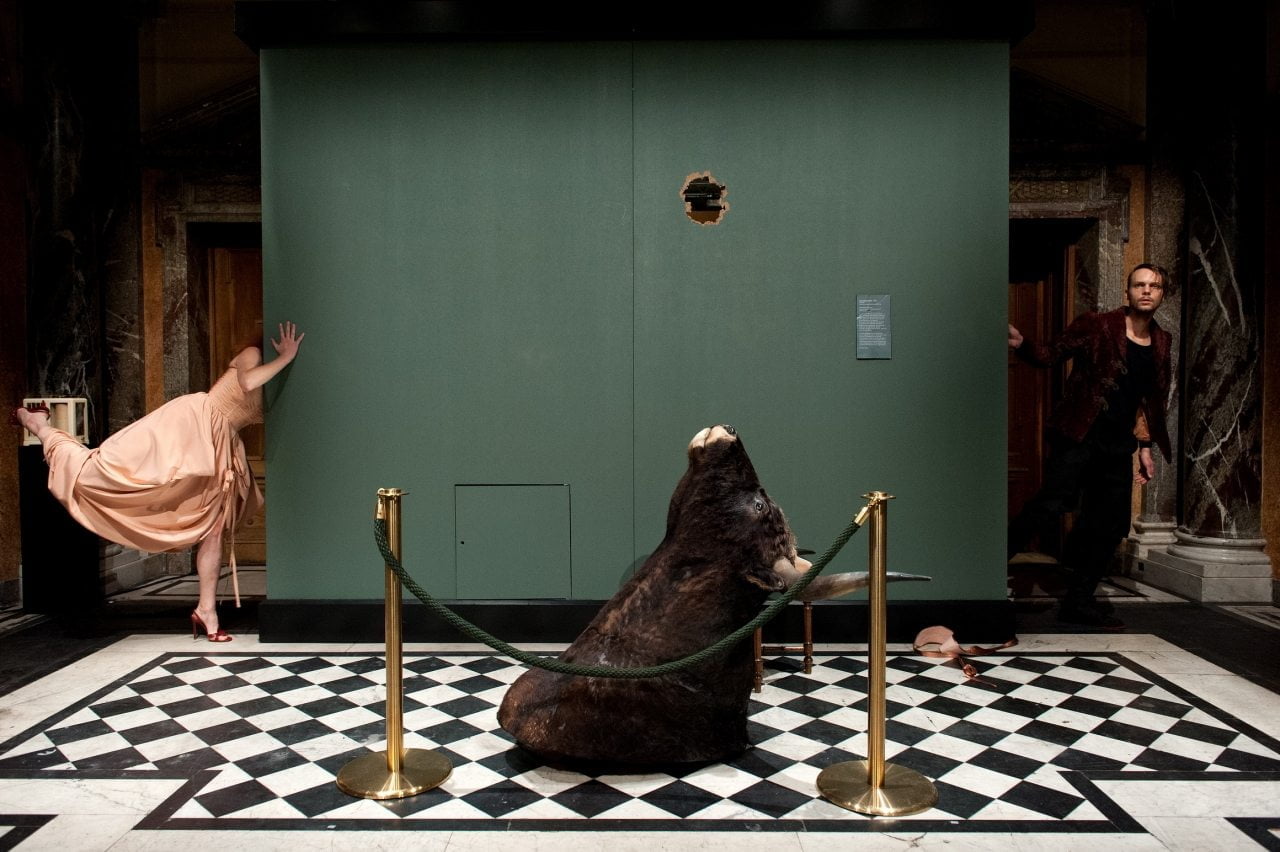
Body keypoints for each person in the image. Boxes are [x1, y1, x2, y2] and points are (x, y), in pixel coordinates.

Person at [13, 321, 305, 641]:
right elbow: (248, 383)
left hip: (223, 441)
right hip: (194, 424)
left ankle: (206, 610)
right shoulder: (251, 354)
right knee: (99, 469)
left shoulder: (274, 378)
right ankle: (40, 425)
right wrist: (285, 358)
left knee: (213, 529)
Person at [1007, 265, 1172, 629]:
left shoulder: (1162, 342)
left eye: (1154, 286)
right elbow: (1052, 353)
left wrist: (1145, 447)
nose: (1146, 291)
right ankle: (985, 572)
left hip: (1117, 446)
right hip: (1079, 436)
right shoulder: (1098, 324)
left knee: (1111, 525)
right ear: (1127, 292)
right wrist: (1023, 346)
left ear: (1162, 294)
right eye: (1139, 285)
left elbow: (1149, 400)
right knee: (1047, 507)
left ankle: (1078, 601)